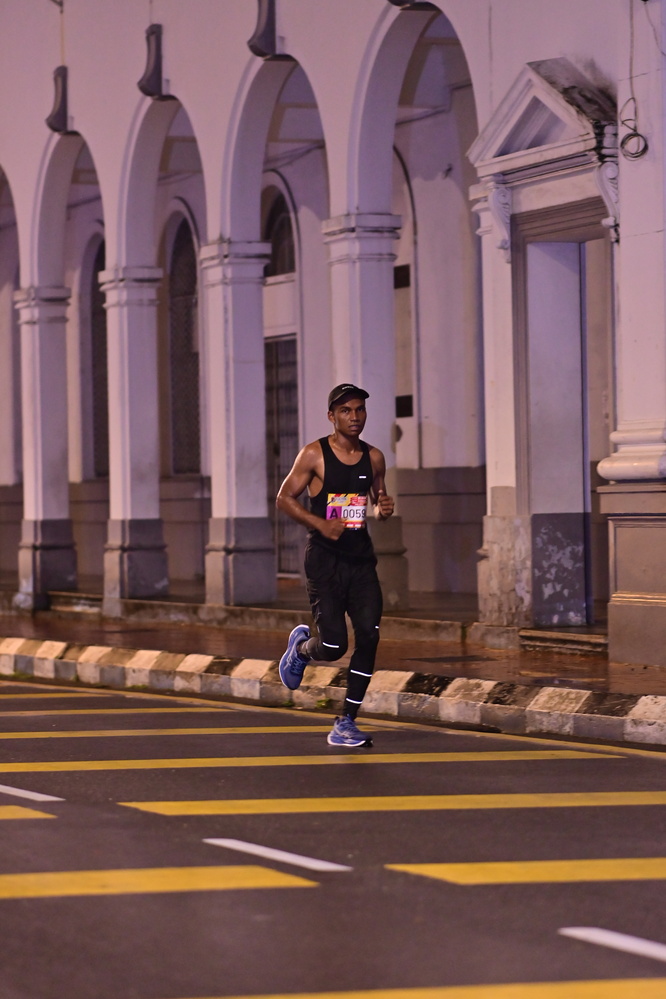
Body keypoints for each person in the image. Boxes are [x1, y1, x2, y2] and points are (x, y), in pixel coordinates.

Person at [276, 383, 395, 747]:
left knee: (369, 636)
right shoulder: (314, 454)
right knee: (333, 646)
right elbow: (284, 498)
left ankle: (346, 722)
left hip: (361, 562)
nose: (354, 416)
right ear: (332, 416)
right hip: (325, 562)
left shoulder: (374, 458)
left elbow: (377, 500)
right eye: (345, 410)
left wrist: (383, 508)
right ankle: (300, 650)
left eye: (359, 409)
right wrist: (321, 524)